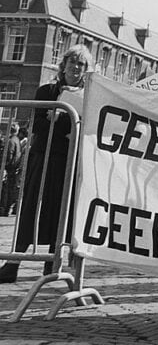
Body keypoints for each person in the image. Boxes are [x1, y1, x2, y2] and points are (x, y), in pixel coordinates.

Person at [0, 45, 93, 283]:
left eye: (81, 64)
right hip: (43, 156)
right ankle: (13, 263)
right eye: (72, 62)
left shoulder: (88, 97)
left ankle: (51, 264)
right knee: (31, 206)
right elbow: (39, 125)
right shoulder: (46, 91)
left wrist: (63, 120)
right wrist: (58, 120)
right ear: (63, 65)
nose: (75, 67)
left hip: (68, 161)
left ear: (86, 70)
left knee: (59, 211)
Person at [1, 123, 22, 216]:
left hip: (9, 168)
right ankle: (7, 209)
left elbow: (9, 154)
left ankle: (4, 209)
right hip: (14, 168)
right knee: (10, 189)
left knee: (6, 189)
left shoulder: (10, 141)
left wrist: (4, 166)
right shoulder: (17, 140)